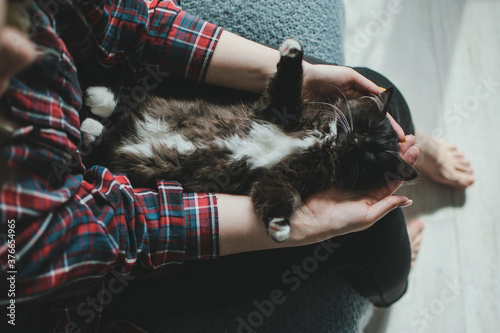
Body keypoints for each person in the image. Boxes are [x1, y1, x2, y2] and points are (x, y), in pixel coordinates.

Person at [0, 0, 471, 331]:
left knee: (373, 89)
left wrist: (294, 74)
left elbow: (126, 23)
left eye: (12, 20)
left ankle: (402, 144)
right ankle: (386, 288)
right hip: (93, 272)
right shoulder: (11, 249)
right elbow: (125, 230)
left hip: (123, 111)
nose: (25, 52)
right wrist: (297, 225)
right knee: (380, 239)